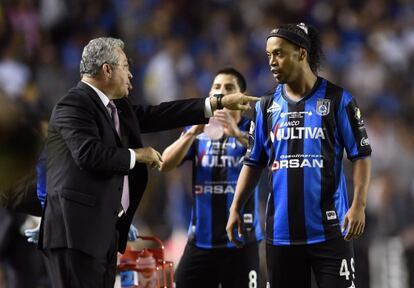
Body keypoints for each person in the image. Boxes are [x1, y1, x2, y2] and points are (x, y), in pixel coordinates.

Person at [38, 37, 258, 288]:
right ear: (107, 70)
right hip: (73, 235)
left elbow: (158, 114)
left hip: (101, 235)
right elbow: (89, 154)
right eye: (125, 66)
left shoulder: (116, 107)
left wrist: (215, 103)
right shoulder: (73, 104)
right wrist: (137, 155)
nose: (131, 74)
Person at [226, 23, 372, 288]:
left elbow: (361, 154)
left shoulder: (339, 100)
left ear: (301, 53)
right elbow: (253, 161)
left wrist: (359, 204)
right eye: (269, 55)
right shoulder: (265, 106)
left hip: (330, 231)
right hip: (281, 234)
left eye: (279, 53)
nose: (272, 61)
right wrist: (236, 207)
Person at [160, 67, 263, 288]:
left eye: (229, 87)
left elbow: (268, 154)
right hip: (200, 241)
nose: (222, 92)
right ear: (209, 95)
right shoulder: (197, 130)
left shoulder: (253, 128)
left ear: (241, 96)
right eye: (216, 87)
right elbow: (165, 164)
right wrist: (191, 133)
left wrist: (237, 134)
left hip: (241, 242)